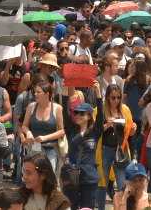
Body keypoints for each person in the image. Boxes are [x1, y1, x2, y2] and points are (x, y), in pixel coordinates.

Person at [63, 81, 103, 209]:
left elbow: (101, 114)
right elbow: (65, 108)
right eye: (76, 113)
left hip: (89, 177)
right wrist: (66, 88)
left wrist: (98, 94)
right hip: (72, 176)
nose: (78, 115)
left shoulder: (94, 132)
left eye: (82, 113)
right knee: (72, 207)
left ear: (89, 116)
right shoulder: (71, 129)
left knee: (87, 208)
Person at [20, 80, 66, 172]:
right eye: (35, 92)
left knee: (49, 174)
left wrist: (45, 138)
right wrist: (28, 133)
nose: (35, 94)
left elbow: (62, 131)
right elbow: (24, 126)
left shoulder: (57, 108)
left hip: (51, 148)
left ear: (47, 94)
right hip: (35, 146)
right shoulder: (31, 107)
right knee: (35, 173)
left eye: (38, 92)